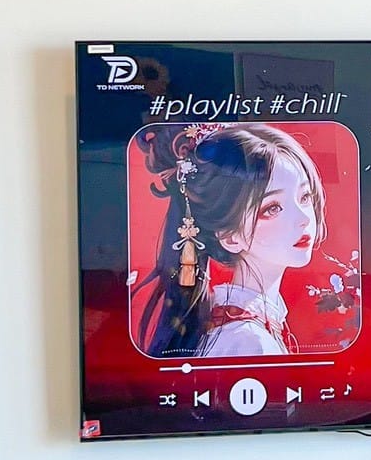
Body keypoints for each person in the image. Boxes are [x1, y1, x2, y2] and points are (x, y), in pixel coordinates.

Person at [132, 122, 325, 360]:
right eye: (272, 208)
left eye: (305, 196)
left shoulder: (243, 326)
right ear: (230, 237)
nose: (303, 218)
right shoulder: (249, 341)